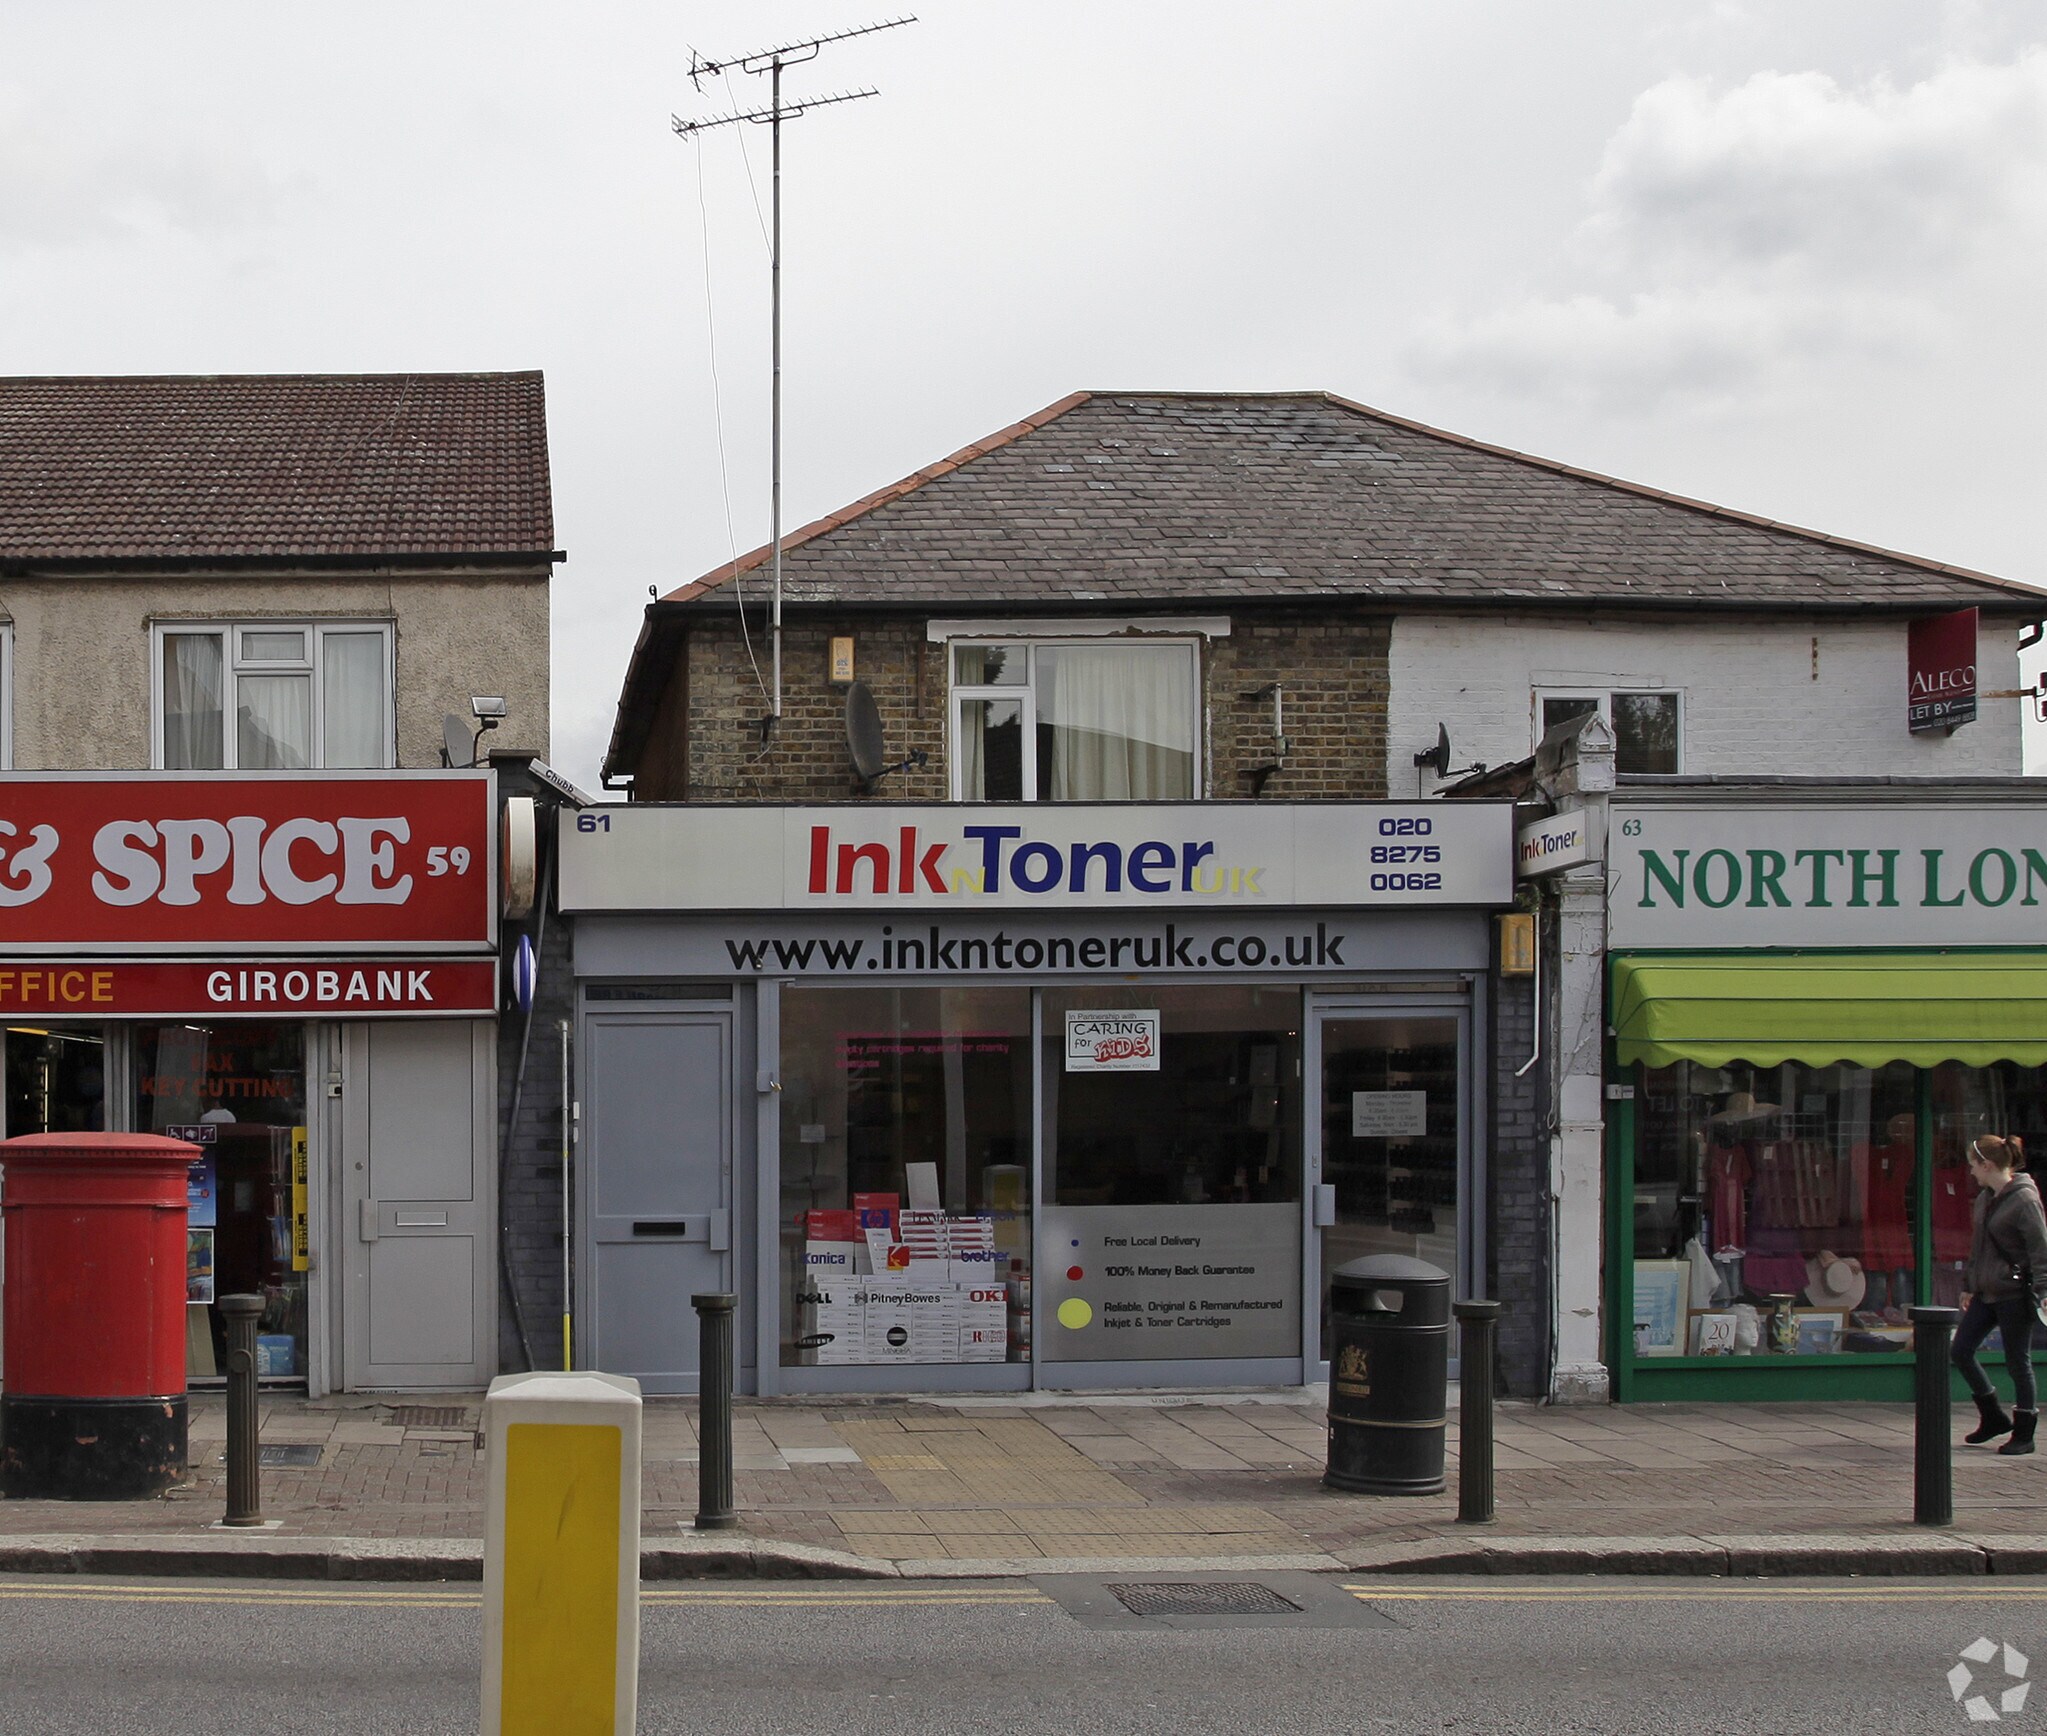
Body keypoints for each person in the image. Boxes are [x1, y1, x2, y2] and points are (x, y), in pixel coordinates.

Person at [1952, 1135, 2047, 1455]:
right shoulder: (1984, 1198)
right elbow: (1978, 1246)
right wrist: (1969, 1283)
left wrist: (2044, 1290)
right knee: (1961, 1350)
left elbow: (2040, 1250)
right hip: (1986, 1290)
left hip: (2014, 1292)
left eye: (1973, 1165)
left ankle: (2024, 1432)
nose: (1971, 1172)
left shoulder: (2025, 1200)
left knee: (2018, 1362)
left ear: (1988, 1165)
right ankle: (1992, 1416)